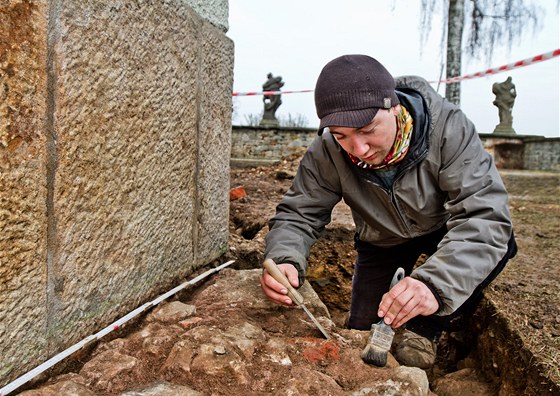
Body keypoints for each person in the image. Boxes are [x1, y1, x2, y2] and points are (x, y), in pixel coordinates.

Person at [259, 55, 517, 369]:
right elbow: (298, 213)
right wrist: (285, 257)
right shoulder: (327, 150)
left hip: (443, 228)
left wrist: (433, 286)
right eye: (342, 136)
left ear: (394, 108)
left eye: (367, 130)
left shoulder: (448, 129)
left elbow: (485, 215)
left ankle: (429, 328)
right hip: (382, 239)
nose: (359, 149)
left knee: (500, 246)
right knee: (360, 335)